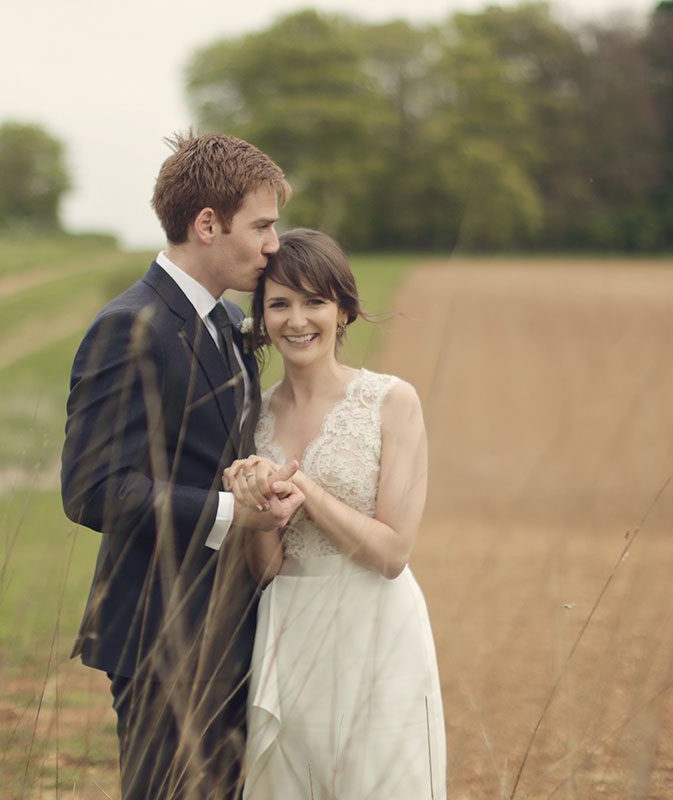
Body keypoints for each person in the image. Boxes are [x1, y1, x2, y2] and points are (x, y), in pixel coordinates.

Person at [60, 131, 303, 800]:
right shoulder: (130, 326)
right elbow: (91, 489)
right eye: (261, 226)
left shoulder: (226, 321)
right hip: (160, 634)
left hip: (236, 629)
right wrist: (235, 513)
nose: (272, 244)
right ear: (207, 224)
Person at [223, 229, 447, 799]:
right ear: (262, 317)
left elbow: (393, 554)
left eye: (314, 301)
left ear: (343, 309)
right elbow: (266, 568)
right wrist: (258, 509)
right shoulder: (254, 415)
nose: (297, 320)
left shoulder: (392, 402)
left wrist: (306, 491)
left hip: (375, 628)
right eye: (280, 304)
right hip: (288, 628)